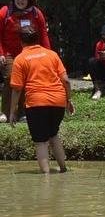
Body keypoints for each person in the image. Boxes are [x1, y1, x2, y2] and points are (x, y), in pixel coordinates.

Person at [8, 26, 74, 173]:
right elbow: (66, 81)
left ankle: (45, 178)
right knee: (53, 134)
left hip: (36, 103)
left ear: (21, 41)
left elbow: (17, 89)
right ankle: (63, 169)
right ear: (37, 39)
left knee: (40, 141)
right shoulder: (52, 54)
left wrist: (12, 111)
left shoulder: (20, 59)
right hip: (58, 101)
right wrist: (68, 101)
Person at [1, 0, 51, 123]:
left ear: (29, 0)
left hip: (29, 52)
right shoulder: (5, 12)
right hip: (9, 52)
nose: (20, 0)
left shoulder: (36, 13)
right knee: (10, 78)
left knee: (27, 81)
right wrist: (1, 53)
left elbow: (43, 35)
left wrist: (49, 54)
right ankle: (5, 112)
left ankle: (22, 112)